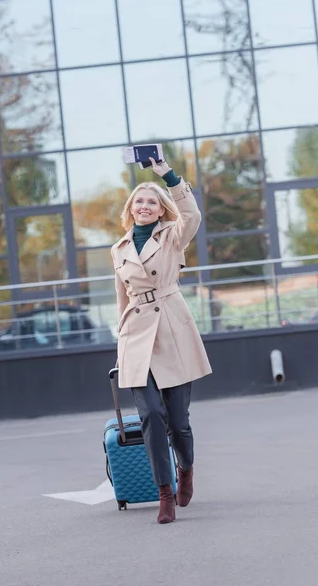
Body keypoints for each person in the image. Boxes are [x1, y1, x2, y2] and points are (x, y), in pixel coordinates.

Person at [111, 157, 212, 524]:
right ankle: (164, 492)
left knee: (178, 422)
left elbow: (193, 215)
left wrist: (166, 175)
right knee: (151, 415)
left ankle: (186, 468)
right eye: (139, 201)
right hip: (136, 335)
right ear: (131, 209)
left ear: (160, 210)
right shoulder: (119, 249)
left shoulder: (172, 235)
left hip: (171, 327)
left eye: (152, 202)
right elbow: (121, 299)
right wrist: (121, 346)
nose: (144, 206)